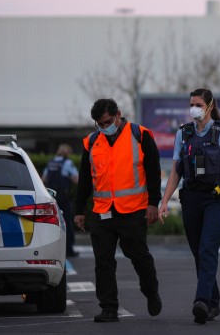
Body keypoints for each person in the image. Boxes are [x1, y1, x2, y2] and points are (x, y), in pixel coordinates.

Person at [158, 88, 220, 325]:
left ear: (210, 106)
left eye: (198, 104)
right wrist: (164, 202)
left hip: (216, 199)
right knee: (199, 252)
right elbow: (176, 172)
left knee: (207, 249)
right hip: (191, 198)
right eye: (191, 104)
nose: (194, 109)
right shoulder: (184, 133)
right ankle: (213, 302)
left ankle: (201, 301)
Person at [73, 98, 162, 323]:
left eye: (107, 122)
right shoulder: (92, 142)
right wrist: (79, 210)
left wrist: (154, 204)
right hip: (102, 212)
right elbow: (84, 179)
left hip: (133, 210)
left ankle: (150, 291)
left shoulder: (140, 135)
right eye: (99, 124)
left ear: (118, 115)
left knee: (138, 256)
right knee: (103, 262)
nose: (104, 128)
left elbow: (153, 172)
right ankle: (109, 308)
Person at [42, 143, 79, 257]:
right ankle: (68, 249)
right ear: (67, 152)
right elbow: (76, 179)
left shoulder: (51, 162)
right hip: (64, 197)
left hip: (52, 197)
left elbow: (43, 179)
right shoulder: (67, 163)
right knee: (67, 222)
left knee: (52, 223)